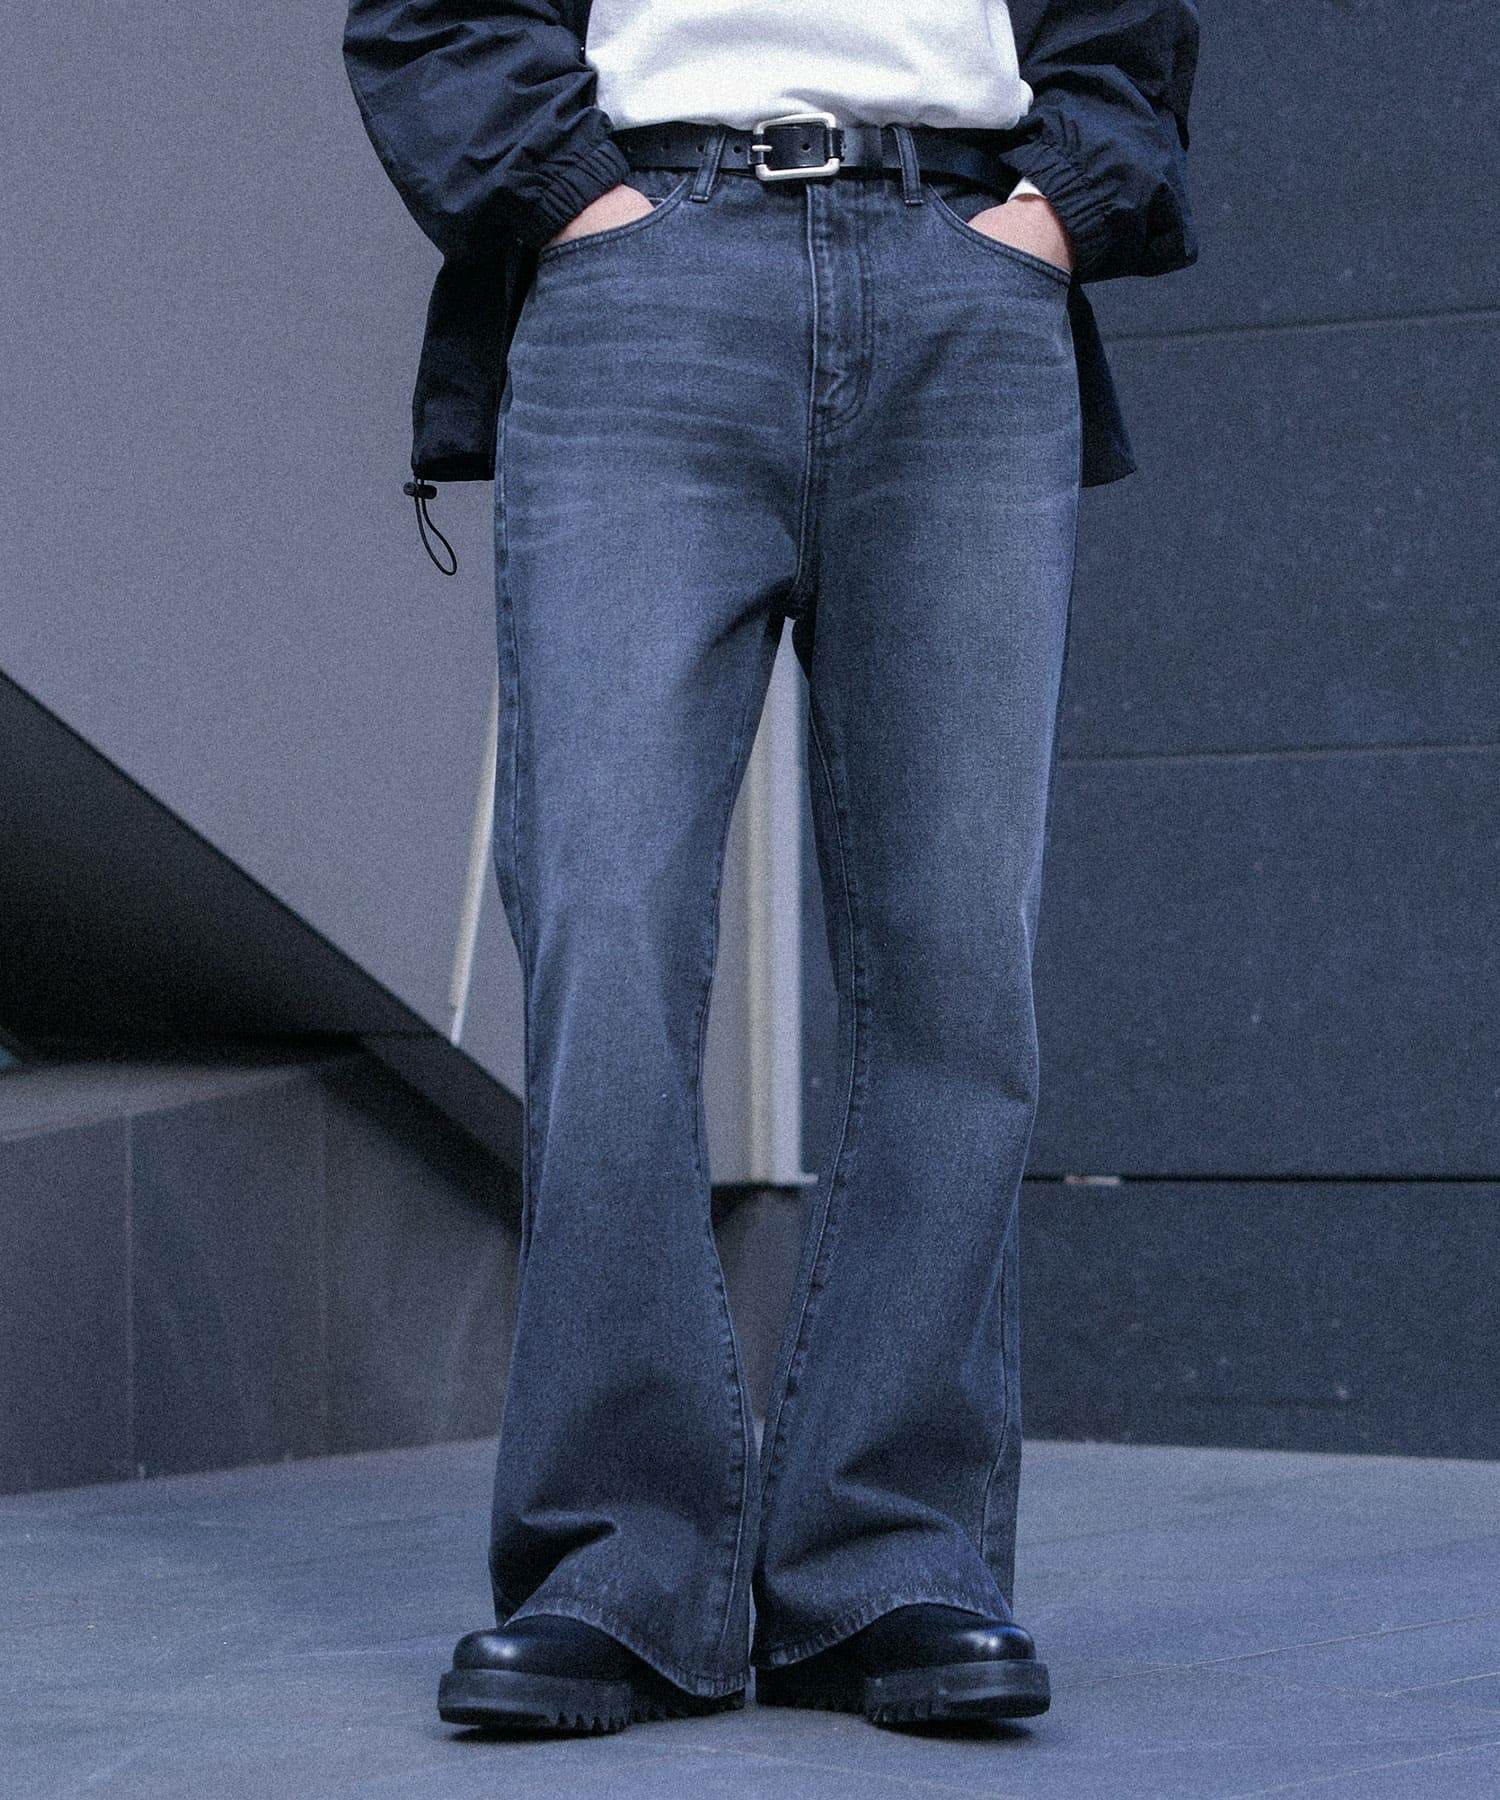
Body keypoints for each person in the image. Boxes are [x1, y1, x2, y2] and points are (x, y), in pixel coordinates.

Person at [343, 0, 1200, 1737]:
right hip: (643, 273)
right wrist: (577, 201)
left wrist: (1053, 211)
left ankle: (890, 1556)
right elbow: (428, 13)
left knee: (957, 962)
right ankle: (618, 1562)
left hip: (968, 273)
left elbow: (1132, 25)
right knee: (604, 930)